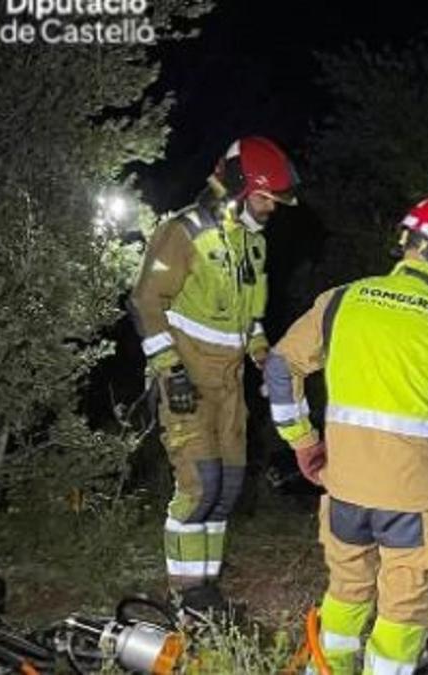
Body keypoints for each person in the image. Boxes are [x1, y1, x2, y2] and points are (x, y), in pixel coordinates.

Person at [264, 196, 428, 675]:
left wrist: (302, 440)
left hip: (345, 488)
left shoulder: (342, 299)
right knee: (404, 614)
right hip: (413, 499)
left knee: (346, 596)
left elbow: (279, 366)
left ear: (408, 242)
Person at [129, 136, 298, 610]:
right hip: (187, 377)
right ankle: (186, 596)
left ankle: (208, 586)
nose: (272, 208)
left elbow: (250, 316)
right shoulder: (183, 230)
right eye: (266, 198)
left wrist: (263, 353)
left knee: (225, 489)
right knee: (198, 487)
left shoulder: (252, 244)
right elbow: (145, 300)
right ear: (241, 187)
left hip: (230, 385)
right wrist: (169, 371)